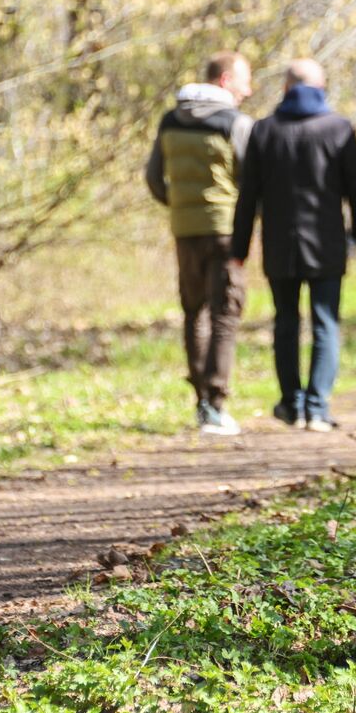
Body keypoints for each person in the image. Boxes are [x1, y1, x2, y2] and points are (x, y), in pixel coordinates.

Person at [231, 59, 356, 433]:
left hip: (280, 244)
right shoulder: (338, 129)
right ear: (321, 87)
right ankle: (317, 407)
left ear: (284, 89)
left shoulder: (264, 130)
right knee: (325, 322)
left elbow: (249, 196)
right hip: (326, 243)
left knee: (286, 323)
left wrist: (239, 245)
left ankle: (292, 403)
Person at [145, 50, 255, 436]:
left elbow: (154, 177)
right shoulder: (236, 123)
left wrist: (178, 206)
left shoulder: (170, 119)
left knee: (195, 312)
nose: (249, 88)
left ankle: (201, 403)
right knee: (225, 313)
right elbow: (250, 179)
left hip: (185, 229)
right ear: (225, 81)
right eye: (245, 80)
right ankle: (217, 402)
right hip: (225, 231)